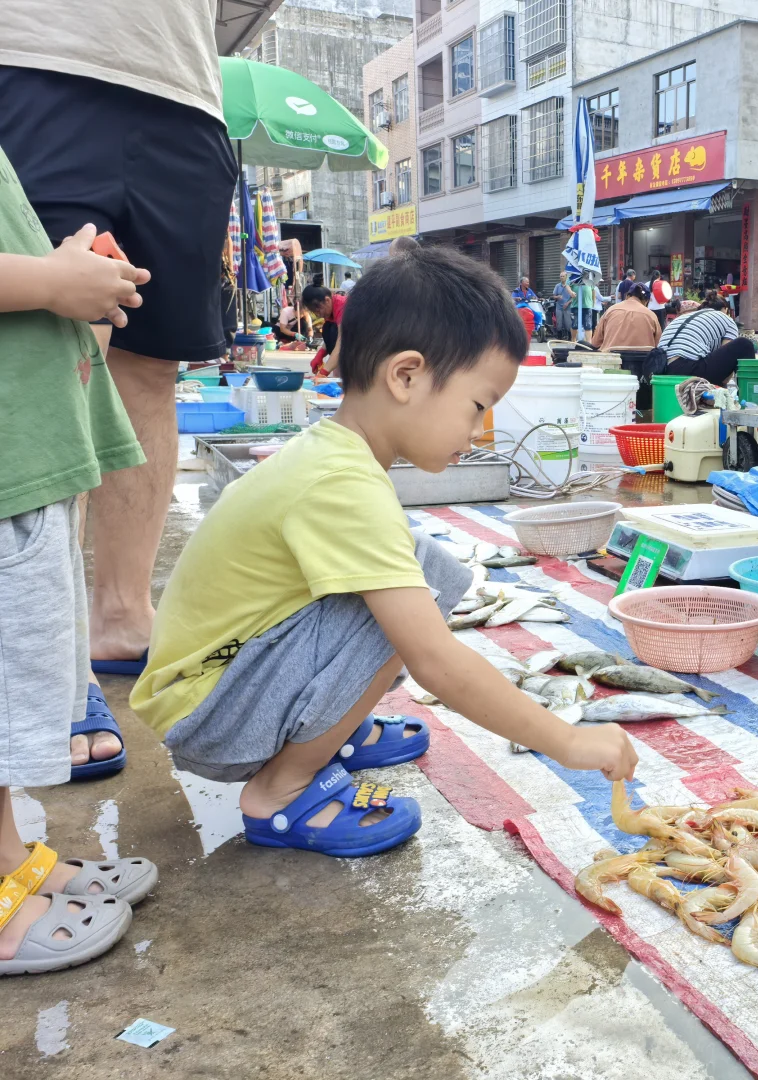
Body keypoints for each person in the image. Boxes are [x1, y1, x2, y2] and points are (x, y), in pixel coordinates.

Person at [130, 248, 637, 859]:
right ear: (405, 376)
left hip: (222, 687)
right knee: (402, 604)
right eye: (478, 406)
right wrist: (568, 741)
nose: (480, 430)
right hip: (215, 719)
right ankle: (282, 787)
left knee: (421, 566)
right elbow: (435, 662)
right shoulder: (341, 485)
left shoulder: (335, 455)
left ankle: (327, 729)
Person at [0, 0, 239, 692]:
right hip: (39, 57)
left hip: (185, 86)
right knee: (48, 355)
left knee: (154, 360)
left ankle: (122, 618)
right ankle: (47, 661)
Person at [1, 150, 160, 973]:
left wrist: (64, 272)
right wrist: (49, 284)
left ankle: (9, 860)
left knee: (12, 696)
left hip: (26, 451)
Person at [660, 292, 756, 386]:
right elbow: (726, 370)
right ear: (725, 309)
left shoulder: (685, 317)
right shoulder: (728, 320)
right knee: (744, 345)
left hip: (662, 369)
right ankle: (749, 395)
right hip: (687, 368)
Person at [590, 282, 661, 351]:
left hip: (612, 360)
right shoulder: (651, 316)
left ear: (627, 295)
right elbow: (658, 345)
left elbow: (595, 343)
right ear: (646, 301)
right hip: (643, 361)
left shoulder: (610, 311)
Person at [303, 285, 347, 375]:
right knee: (328, 328)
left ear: (327, 300)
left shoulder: (343, 306)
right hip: (346, 350)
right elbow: (331, 339)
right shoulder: (329, 310)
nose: (319, 315)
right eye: (315, 313)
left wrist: (324, 372)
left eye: (318, 311)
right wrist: (320, 354)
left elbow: (342, 343)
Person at [552, 275, 575, 341]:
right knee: (559, 322)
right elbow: (554, 296)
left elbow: (574, 297)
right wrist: (557, 297)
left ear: (566, 277)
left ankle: (570, 337)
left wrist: (567, 303)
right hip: (559, 307)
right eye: (560, 276)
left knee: (568, 323)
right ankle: (559, 337)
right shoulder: (557, 286)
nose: (561, 277)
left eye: (563, 276)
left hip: (568, 307)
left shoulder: (570, 285)